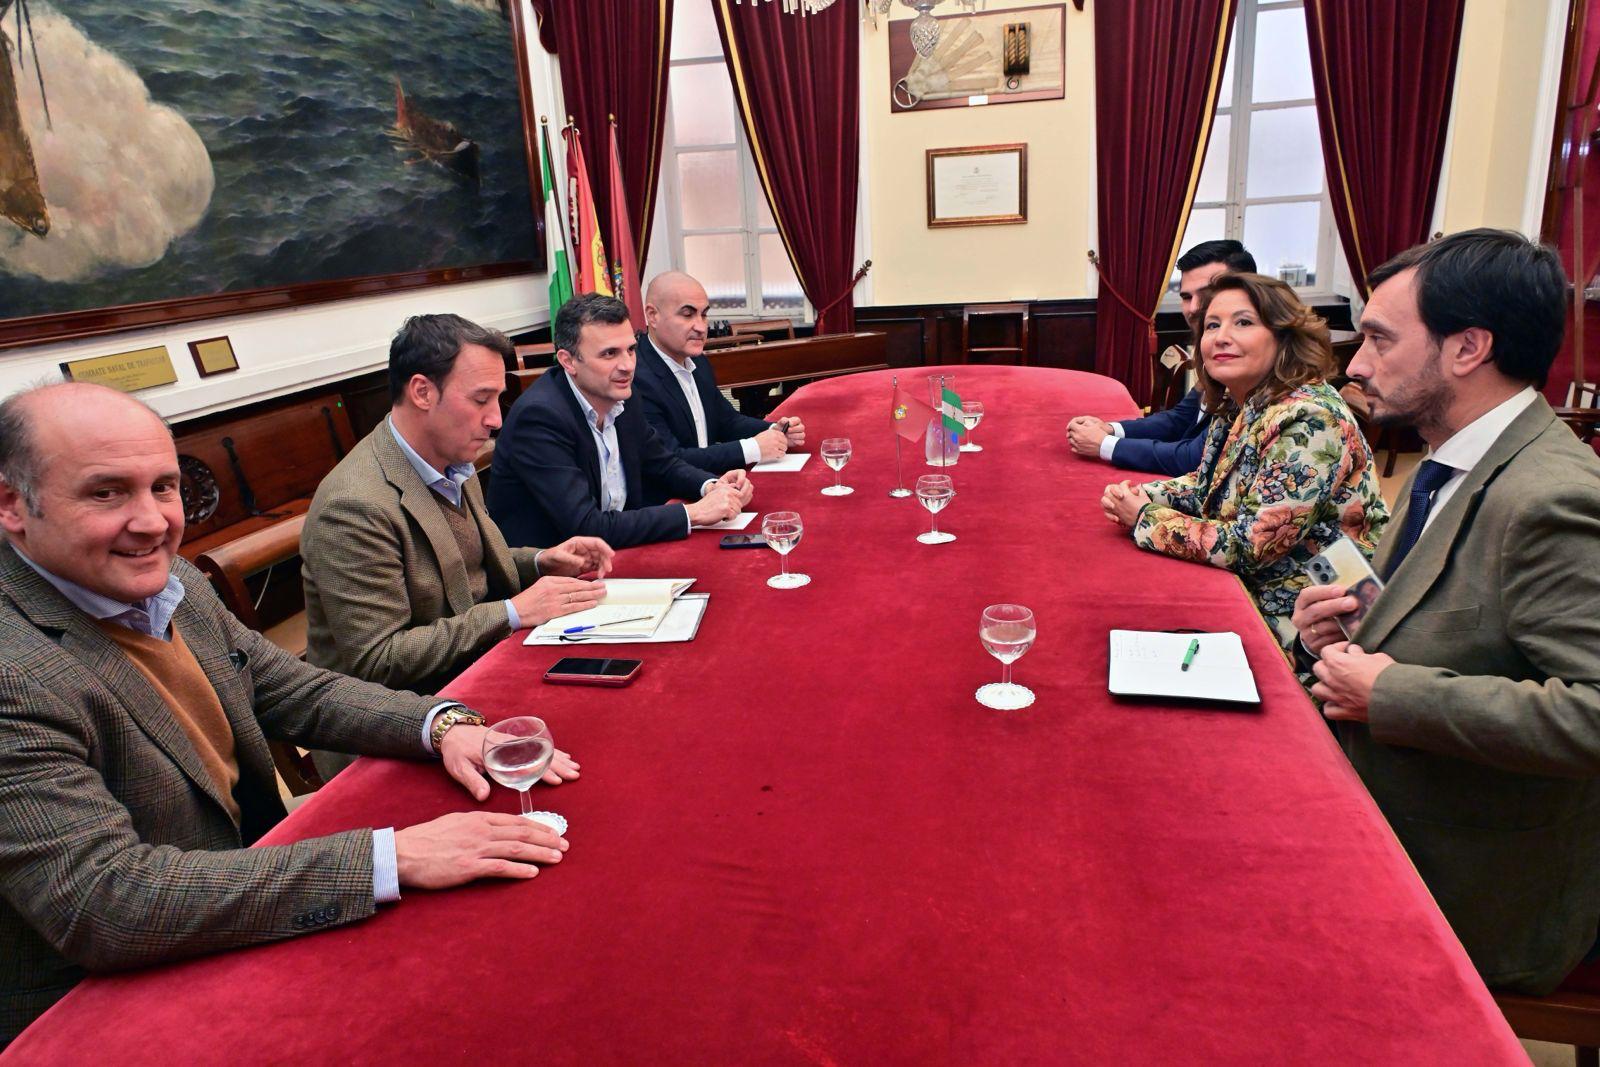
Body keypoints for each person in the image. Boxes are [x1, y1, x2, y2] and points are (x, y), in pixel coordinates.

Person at [0, 382, 578, 1045]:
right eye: (106, 492)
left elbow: (300, 690)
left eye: (163, 487)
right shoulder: (13, 670)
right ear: (13, 504)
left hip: (244, 885)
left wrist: (443, 725)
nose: (153, 521)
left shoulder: (176, 581)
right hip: (94, 1007)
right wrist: (391, 856)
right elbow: (106, 900)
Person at [1290, 229, 1600, 995]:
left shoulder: (1551, 495)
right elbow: (1461, 618)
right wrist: (1353, 624)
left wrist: (1390, 692)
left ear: (1468, 349)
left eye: (1379, 339)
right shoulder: (1452, 454)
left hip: (1472, 879)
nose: (1356, 364)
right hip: (1392, 808)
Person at [301, 314, 615, 694]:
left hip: (475, 666)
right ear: (422, 392)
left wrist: (540, 560)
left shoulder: (448, 455)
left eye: (497, 399)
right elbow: (378, 660)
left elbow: (459, 567)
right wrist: (512, 612)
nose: (496, 419)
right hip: (410, 712)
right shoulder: (353, 506)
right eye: (481, 399)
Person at [1100, 272, 1388, 647]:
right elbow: (1207, 485)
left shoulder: (1308, 418)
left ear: (1284, 337)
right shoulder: (1242, 402)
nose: (1221, 337)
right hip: (1260, 588)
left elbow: (1252, 548)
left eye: (1244, 323)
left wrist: (1144, 518)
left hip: (1308, 622)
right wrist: (1147, 495)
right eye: (1212, 325)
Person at [488, 292, 753, 550]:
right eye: (609, 354)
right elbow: (586, 525)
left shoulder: (623, 395)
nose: (627, 365)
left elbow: (662, 463)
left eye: (631, 350)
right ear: (568, 361)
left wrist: (712, 486)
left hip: (620, 553)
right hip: (559, 577)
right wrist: (692, 514)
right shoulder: (540, 418)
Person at [1068, 240, 1257, 476]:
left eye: (1208, 294)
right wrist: (1109, 429)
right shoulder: (1214, 350)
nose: (1195, 307)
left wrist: (1104, 445)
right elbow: (1180, 418)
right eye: (1187, 297)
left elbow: (1196, 458)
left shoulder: (1248, 362)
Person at [632, 271, 805, 493]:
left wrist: (776, 430)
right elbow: (671, 459)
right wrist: (753, 448)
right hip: (670, 501)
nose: (701, 327)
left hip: (712, 487)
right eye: (687, 315)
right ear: (652, 315)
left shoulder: (698, 361)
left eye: (704, 315)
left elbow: (726, 421)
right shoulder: (637, 377)